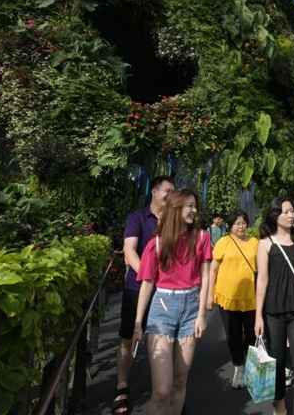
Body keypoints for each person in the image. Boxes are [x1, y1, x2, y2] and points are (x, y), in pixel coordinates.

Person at [131, 188, 212, 415]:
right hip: (162, 308)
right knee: (162, 390)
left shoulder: (203, 237)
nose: (194, 210)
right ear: (175, 208)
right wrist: (138, 323)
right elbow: (147, 284)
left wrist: (201, 315)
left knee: (180, 381)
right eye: (189, 206)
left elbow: (205, 277)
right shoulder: (156, 243)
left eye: (195, 206)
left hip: (191, 307)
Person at [113, 175, 174, 415]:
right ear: (155, 192)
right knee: (128, 336)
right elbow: (129, 250)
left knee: (162, 338)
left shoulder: (174, 219)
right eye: (168, 191)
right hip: (137, 288)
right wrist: (149, 277)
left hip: (167, 292)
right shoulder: (137, 218)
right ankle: (121, 384)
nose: (171, 195)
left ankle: (161, 389)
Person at [254, 197, 294, 415]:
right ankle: (279, 402)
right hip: (273, 313)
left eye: (292, 211)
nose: (291, 215)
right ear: (275, 216)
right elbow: (262, 279)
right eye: (285, 212)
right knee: (278, 364)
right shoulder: (265, 244)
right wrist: (258, 316)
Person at [206, 209, 259, 389]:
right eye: (237, 223)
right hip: (227, 296)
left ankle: (251, 367)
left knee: (252, 334)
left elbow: (263, 269)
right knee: (233, 334)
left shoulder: (254, 243)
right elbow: (213, 269)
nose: (241, 226)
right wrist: (209, 294)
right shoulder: (223, 242)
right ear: (230, 226)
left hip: (251, 297)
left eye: (243, 223)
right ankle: (239, 366)